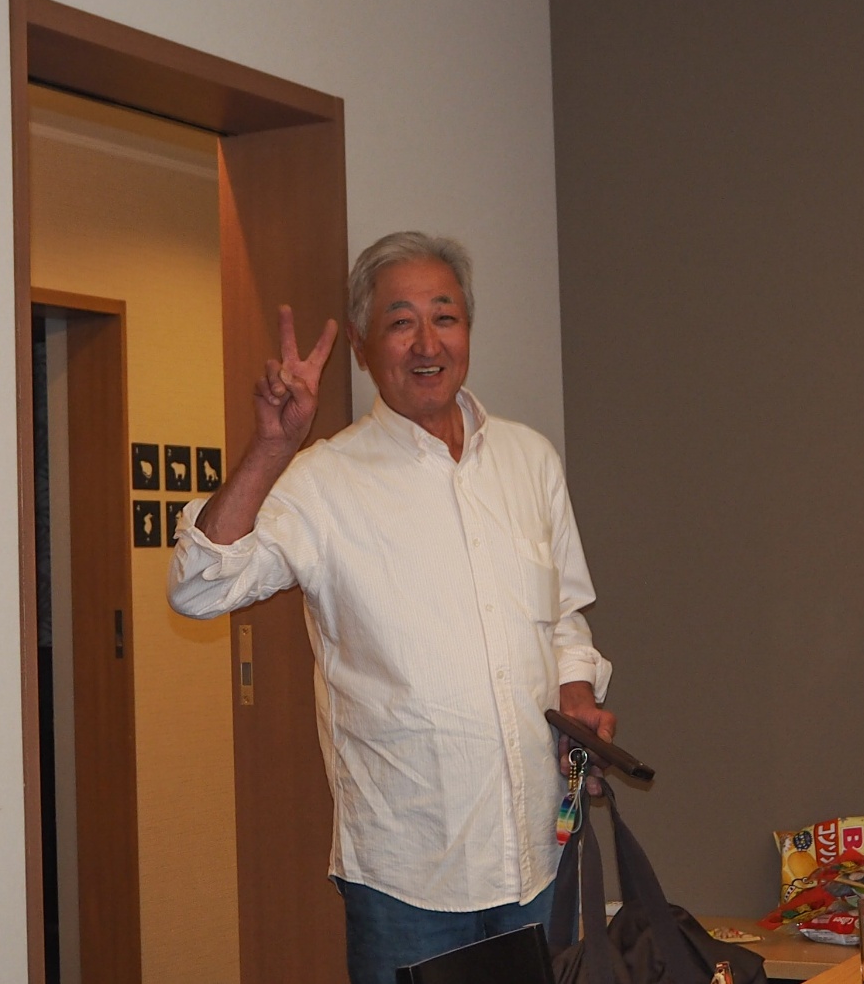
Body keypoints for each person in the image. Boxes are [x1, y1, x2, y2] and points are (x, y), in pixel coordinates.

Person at [168, 231, 616, 984]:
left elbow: (565, 616)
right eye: (401, 321)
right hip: (408, 878)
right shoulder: (323, 479)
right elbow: (198, 587)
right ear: (362, 346)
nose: (427, 342)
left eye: (445, 316)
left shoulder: (529, 459)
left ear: (467, 329)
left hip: (540, 855)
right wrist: (271, 449)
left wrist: (576, 698)